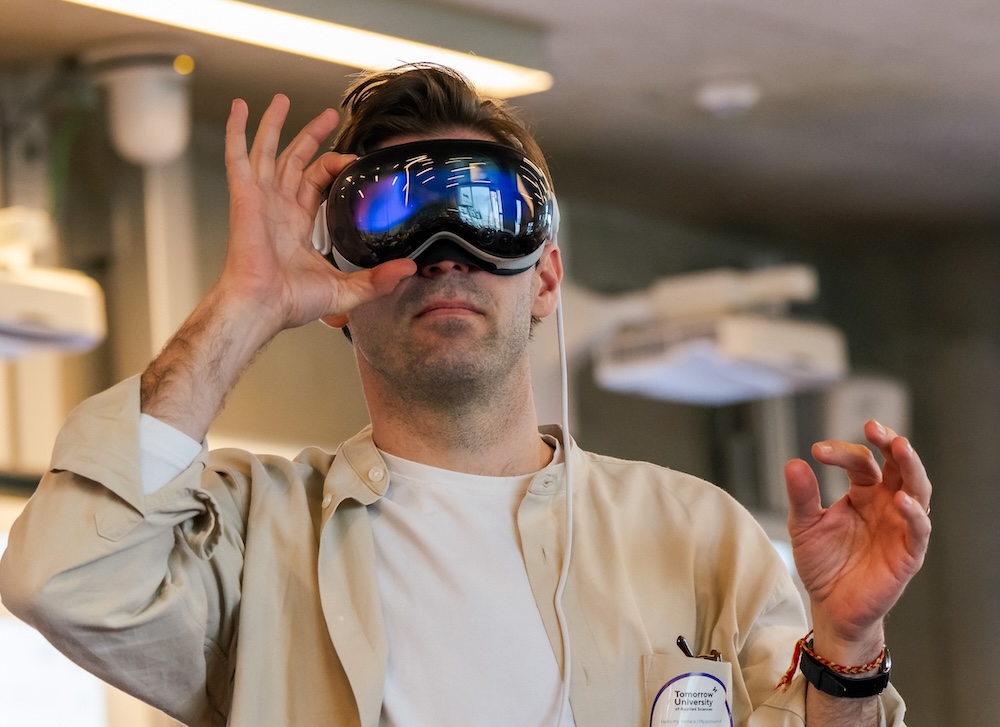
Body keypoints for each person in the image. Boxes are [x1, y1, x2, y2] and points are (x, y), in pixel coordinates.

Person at [0, 64, 931, 727]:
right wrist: (243, 309)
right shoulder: (254, 539)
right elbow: (61, 578)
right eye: (393, 215)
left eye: (489, 209)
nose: (445, 247)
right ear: (337, 292)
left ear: (547, 278)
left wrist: (847, 644)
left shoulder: (695, 535)